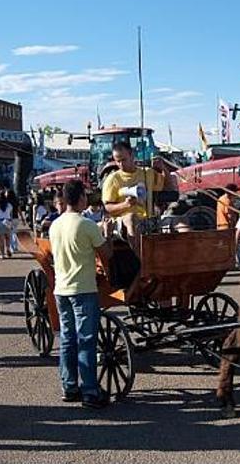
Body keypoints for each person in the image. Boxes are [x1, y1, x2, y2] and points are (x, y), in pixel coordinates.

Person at [50, 180, 112, 409]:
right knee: (86, 340)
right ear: (82, 199)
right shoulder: (86, 225)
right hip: (83, 288)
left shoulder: (54, 225)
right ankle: (90, 390)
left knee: (68, 339)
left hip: (61, 288)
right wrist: (108, 233)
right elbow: (106, 254)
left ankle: (69, 386)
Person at [101, 142, 168, 247]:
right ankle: (143, 259)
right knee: (131, 218)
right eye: (118, 161)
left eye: (124, 160)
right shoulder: (113, 179)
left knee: (179, 221)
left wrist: (163, 167)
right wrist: (125, 205)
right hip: (123, 224)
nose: (121, 164)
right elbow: (107, 208)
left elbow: (166, 184)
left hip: (148, 221)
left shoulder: (148, 173)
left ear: (132, 155)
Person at [0, 192, 14, 258]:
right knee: (8, 237)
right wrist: (11, 222)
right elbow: (11, 215)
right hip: (7, 221)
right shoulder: (9, 205)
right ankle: (8, 248)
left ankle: (2, 254)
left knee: (1, 239)